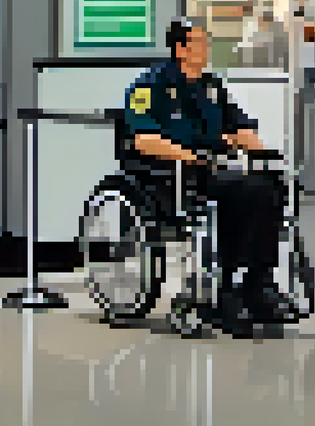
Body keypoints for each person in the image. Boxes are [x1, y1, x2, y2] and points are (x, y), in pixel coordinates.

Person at [123, 18, 293, 338]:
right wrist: (192, 157)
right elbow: (143, 139)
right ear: (180, 48)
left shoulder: (212, 87)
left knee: (271, 185)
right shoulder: (151, 85)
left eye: (205, 42)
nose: (206, 48)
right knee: (243, 192)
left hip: (213, 168)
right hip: (172, 173)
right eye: (199, 42)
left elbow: (238, 129)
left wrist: (267, 155)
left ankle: (258, 281)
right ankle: (225, 288)